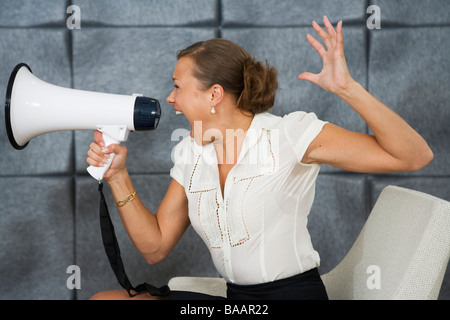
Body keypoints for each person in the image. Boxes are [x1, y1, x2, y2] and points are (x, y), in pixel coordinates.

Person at [88, 17, 433, 300]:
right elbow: (155, 247)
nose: (170, 98)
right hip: (237, 302)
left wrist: (347, 89)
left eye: (177, 86)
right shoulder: (191, 152)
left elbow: (413, 156)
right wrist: (118, 176)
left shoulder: (290, 134)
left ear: (214, 95)